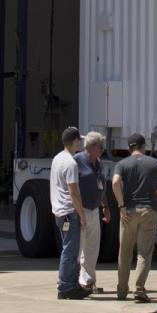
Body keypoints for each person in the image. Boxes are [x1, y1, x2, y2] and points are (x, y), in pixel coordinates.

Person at [111, 132, 157, 302]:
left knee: (124, 252)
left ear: (129, 148)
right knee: (144, 252)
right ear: (144, 147)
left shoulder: (122, 164)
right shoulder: (155, 164)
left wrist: (121, 206)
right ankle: (139, 289)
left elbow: (115, 183)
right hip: (148, 209)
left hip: (128, 212)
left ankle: (121, 290)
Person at [50, 126, 86, 299]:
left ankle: (72, 283)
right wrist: (82, 215)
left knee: (69, 249)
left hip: (59, 212)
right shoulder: (71, 163)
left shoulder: (57, 159)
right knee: (70, 250)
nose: (81, 142)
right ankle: (65, 286)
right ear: (75, 141)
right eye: (79, 140)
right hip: (69, 213)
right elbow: (74, 192)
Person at [76, 131, 110, 293]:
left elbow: (102, 187)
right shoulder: (77, 161)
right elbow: (70, 187)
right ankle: (77, 281)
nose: (102, 148)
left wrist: (106, 207)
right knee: (79, 246)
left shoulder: (99, 162)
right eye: (99, 145)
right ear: (89, 146)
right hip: (80, 209)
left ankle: (89, 280)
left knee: (92, 247)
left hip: (94, 209)